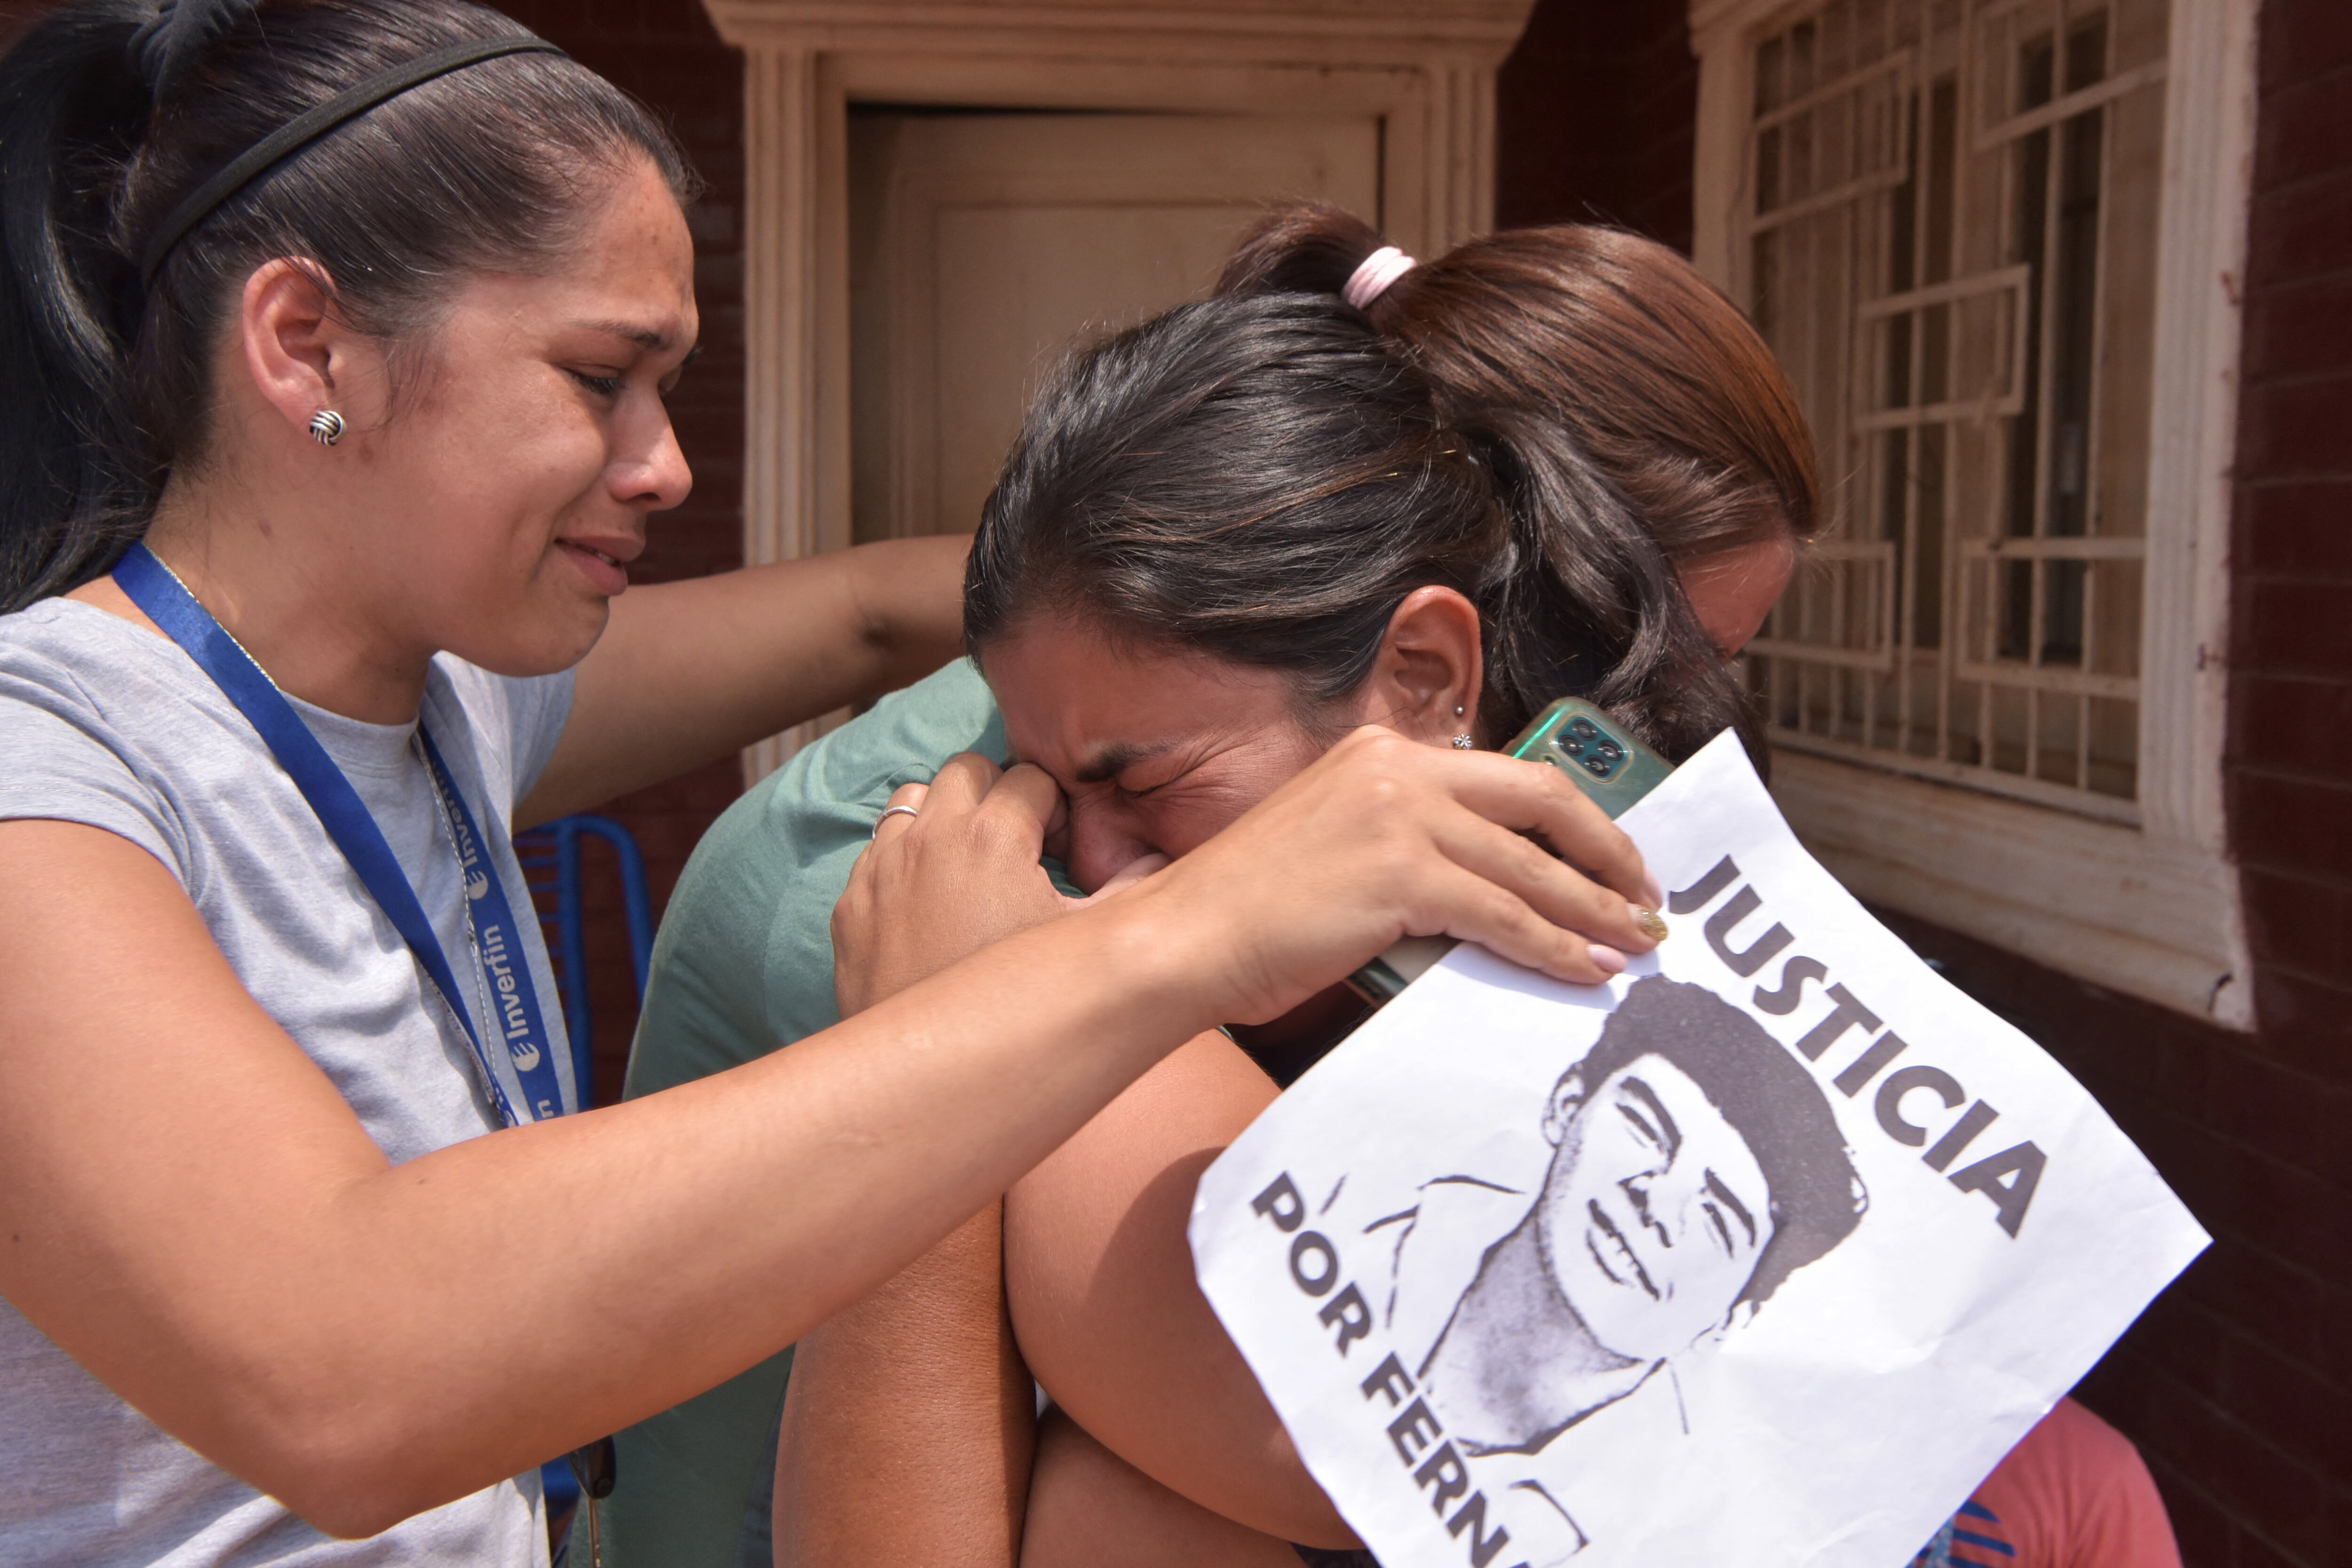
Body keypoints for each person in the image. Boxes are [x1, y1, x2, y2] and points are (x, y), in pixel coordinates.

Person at [0, 9, 1653, 1565]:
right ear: (306, 344)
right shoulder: (51, 774)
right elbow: (337, 1374)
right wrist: (1181, 934)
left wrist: (1219, 556)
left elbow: (864, 606)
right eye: (600, 378)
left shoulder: (431, 706)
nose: (668, 464)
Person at [594, 206, 1820, 1568]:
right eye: (1655, 672)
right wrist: (949, 1042)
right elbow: (1400, 1452)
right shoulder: (954, 888)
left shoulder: (1202, 707)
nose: (1650, 747)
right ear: (1445, 667)